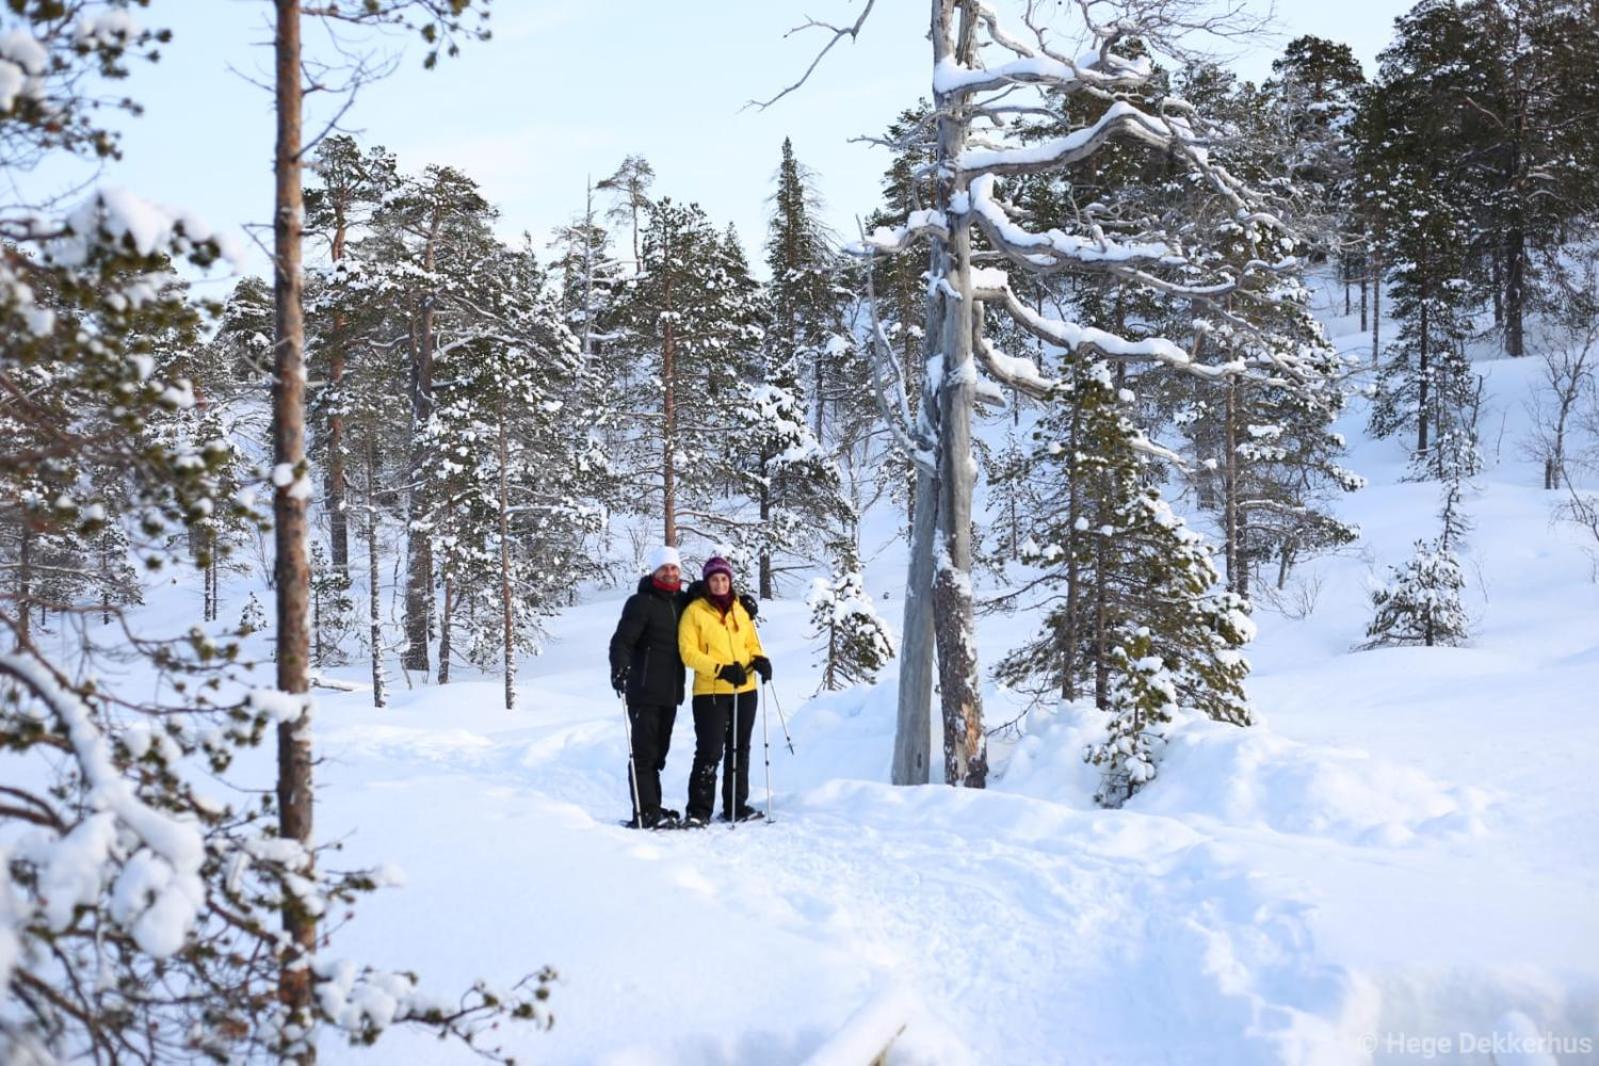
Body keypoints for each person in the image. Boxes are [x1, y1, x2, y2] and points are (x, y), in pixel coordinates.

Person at [678, 556, 773, 826]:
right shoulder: (694, 611)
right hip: (711, 692)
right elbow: (688, 653)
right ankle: (699, 810)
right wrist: (719, 669)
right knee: (710, 750)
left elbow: (751, 643)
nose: (720, 583)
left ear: (729, 581)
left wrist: (760, 659)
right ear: (707, 582)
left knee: (740, 748)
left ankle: (735, 805)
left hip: (745, 688)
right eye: (714, 579)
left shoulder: (740, 610)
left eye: (724, 579)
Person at [608, 545, 689, 829]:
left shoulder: (682, 601)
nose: (670, 572)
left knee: (658, 754)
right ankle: (645, 812)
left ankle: (653, 805)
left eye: (674, 568)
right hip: (643, 691)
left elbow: (711, 593)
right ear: (655, 571)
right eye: (664, 568)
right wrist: (619, 668)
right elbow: (622, 641)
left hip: (671, 692)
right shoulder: (641, 602)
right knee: (643, 753)